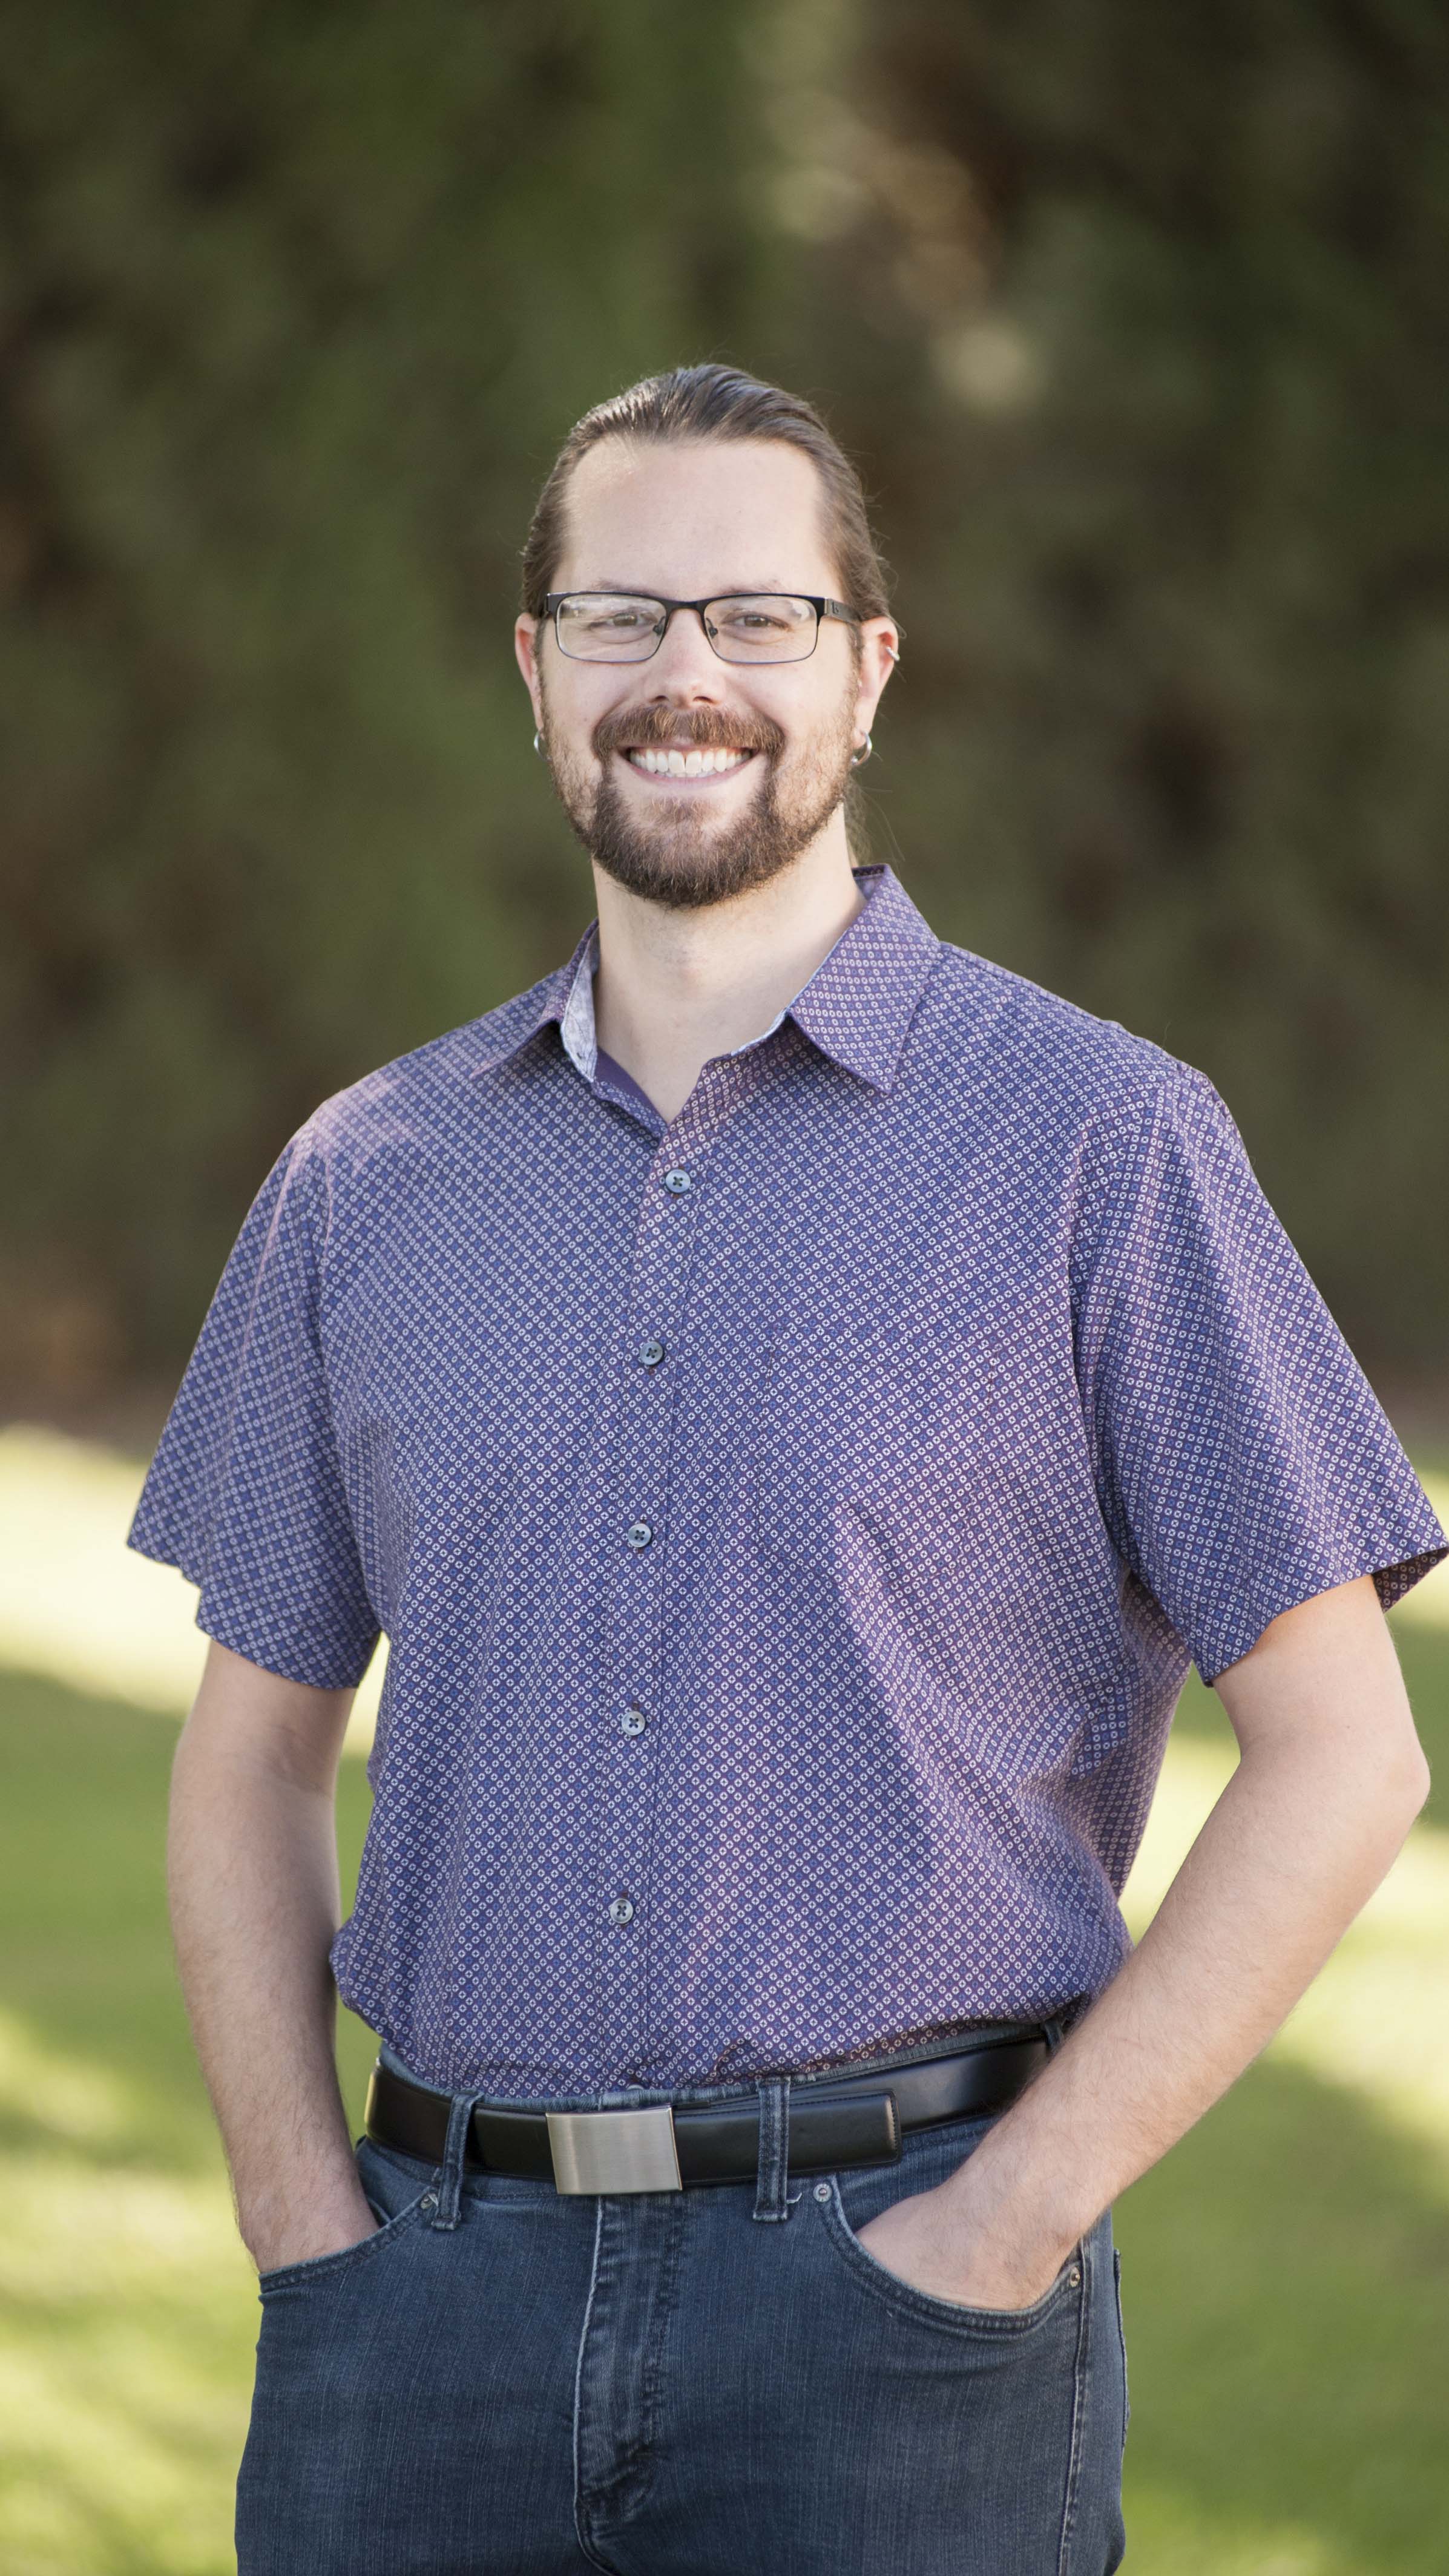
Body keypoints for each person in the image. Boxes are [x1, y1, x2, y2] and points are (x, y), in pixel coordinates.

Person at [129, 363, 1445, 2576]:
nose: (687, 677)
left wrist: (1006, 2226)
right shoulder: (366, 1179)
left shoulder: (1101, 1146)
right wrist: (299, 2221)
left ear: (866, 668)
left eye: (756, 617)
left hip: (902, 2320)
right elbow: (248, 1752)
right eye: (620, 617)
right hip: (415, 2324)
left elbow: (1344, 1757)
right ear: (535, 669)